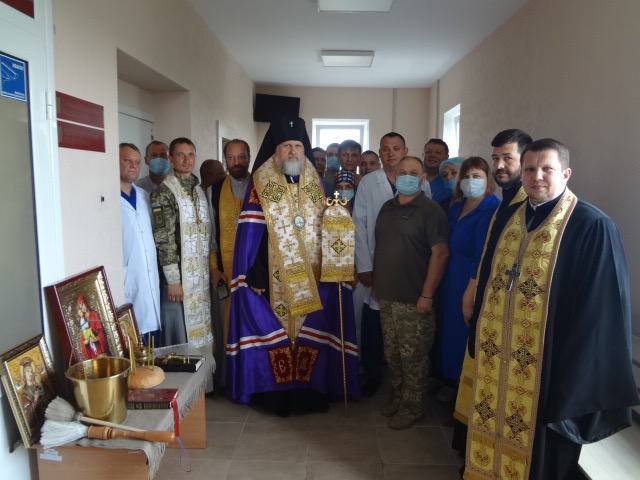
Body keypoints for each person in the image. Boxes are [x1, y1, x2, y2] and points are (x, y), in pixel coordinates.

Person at [463, 139, 639, 480]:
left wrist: (573, 372)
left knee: (542, 458)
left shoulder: (591, 225)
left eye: (547, 169)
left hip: (550, 366)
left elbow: (602, 311)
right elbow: (489, 278)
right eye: (530, 169)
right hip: (498, 358)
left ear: (566, 173)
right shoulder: (510, 217)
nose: (537, 177)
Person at [226, 117, 359, 416]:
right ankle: (277, 395)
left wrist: (336, 258)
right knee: (279, 331)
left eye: (298, 146)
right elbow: (252, 233)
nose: (293, 152)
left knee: (310, 330)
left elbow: (325, 226)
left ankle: (309, 392)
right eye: (286, 146)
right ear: (276, 150)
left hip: (312, 275)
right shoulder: (261, 181)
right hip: (274, 277)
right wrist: (257, 271)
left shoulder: (313, 179)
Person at [452, 128, 532, 457]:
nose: (500, 165)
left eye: (507, 158)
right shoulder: (507, 201)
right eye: (495, 158)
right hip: (487, 299)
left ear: (524, 160)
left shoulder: (525, 202)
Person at [373, 156, 450, 429]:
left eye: (413, 172)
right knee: (393, 355)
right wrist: (377, 285)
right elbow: (381, 246)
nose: (406, 176)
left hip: (415, 300)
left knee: (413, 358)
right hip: (387, 297)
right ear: (395, 176)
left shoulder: (431, 211)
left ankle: (413, 406)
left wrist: (427, 295)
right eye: (402, 172)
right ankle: (399, 397)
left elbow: (441, 253)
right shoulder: (387, 207)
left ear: (422, 179)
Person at [435, 157, 499, 403]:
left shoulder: (491, 207)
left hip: (470, 280)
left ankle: (463, 396)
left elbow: (482, 254)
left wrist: (469, 292)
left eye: (477, 177)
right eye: (466, 177)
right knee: (448, 331)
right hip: (449, 277)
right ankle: (449, 380)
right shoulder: (456, 207)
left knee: (464, 332)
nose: (471, 181)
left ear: (487, 179)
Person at [353, 132, 407, 396]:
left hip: (408, 265)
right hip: (375, 262)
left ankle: (405, 378)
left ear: (405, 151)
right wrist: (364, 265)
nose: (391, 153)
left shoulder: (416, 180)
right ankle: (373, 373)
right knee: (373, 321)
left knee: (404, 322)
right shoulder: (368, 182)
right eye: (385, 149)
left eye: (396, 148)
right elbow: (359, 224)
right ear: (380, 152)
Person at [150, 137, 214, 348]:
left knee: (202, 326)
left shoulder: (198, 189)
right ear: (171, 159)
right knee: (181, 331)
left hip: (200, 275)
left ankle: (204, 368)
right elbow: (164, 238)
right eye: (180, 155)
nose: (187, 160)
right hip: (179, 278)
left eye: (191, 155)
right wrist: (173, 280)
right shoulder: (163, 192)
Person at [209, 138, 252, 388]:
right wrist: (214, 268)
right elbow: (209, 234)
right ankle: (230, 380)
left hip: (255, 272)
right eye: (231, 157)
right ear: (225, 159)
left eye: (241, 157)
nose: (236, 162)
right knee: (227, 324)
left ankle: (252, 378)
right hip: (225, 271)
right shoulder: (214, 190)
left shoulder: (260, 185)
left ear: (249, 157)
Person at [119, 143, 161, 342]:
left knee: (152, 343)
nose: (133, 166)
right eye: (127, 160)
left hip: (149, 279)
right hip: (127, 280)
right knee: (132, 341)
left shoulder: (145, 197)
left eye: (137, 162)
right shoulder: (107, 199)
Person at [422, 139, 451, 208]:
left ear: (446, 157)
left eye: (438, 152)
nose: (432, 155)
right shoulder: (414, 179)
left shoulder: (449, 184)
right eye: (428, 152)